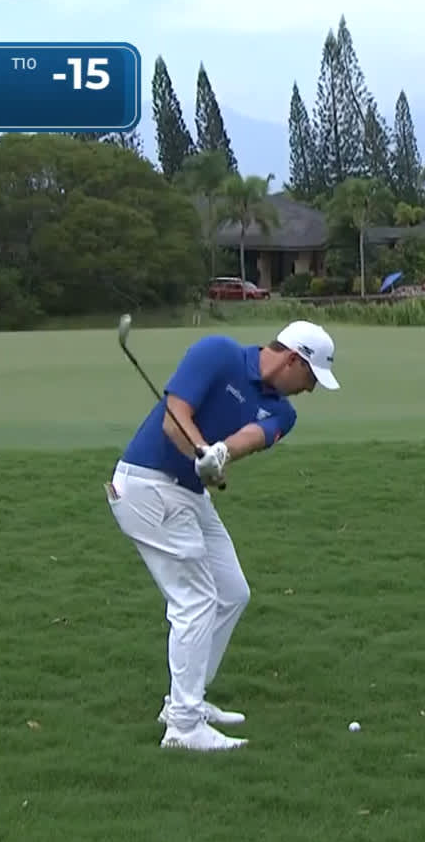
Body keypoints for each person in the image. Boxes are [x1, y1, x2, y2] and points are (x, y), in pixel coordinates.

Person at [106, 320, 339, 752]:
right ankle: (183, 726)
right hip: (145, 486)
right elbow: (175, 424)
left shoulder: (284, 412)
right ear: (293, 359)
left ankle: (183, 699)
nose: (309, 389)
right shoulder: (218, 352)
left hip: (187, 494)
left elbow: (254, 436)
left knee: (232, 592)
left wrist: (220, 454)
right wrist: (200, 451)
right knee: (194, 601)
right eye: (310, 378)